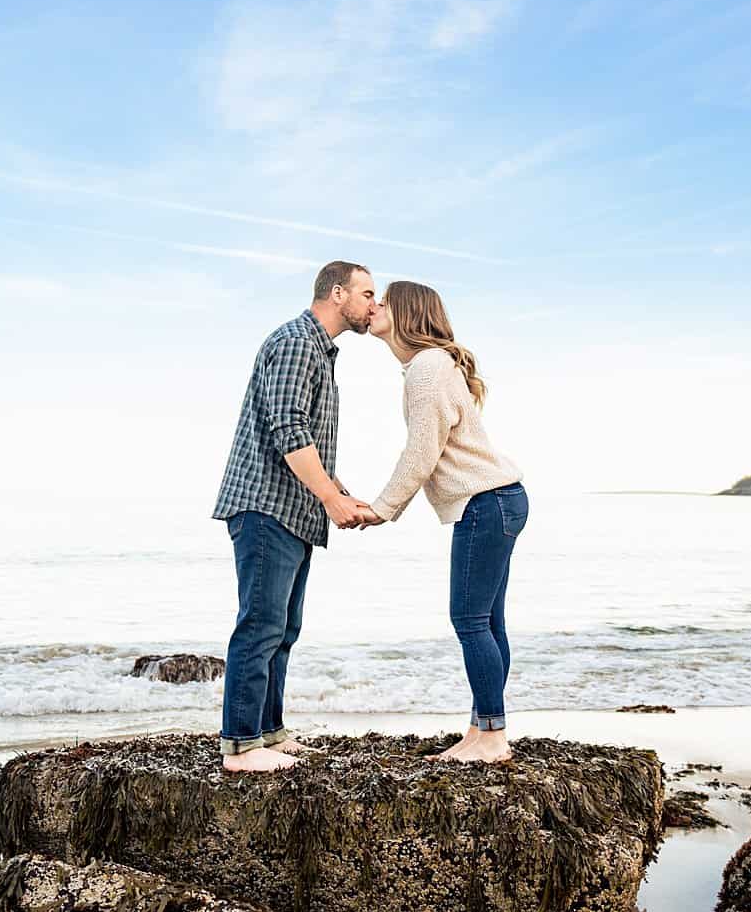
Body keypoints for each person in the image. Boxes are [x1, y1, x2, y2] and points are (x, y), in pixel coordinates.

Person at [212, 261, 379, 772]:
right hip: (265, 506)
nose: (374, 304)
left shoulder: (320, 352)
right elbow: (287, 429)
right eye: (367, 293)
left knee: (283, 629)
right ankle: (240, 746)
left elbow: (307, 442)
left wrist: (340, 493)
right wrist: (330, 499)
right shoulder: (294, 341)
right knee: (260, 626)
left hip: (292, 510)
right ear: (337, 293)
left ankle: (270, 732)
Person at [366, 280, 527, 763]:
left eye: (382, 300)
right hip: (502, 499)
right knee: (488, 621)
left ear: (406, 312)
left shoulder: (427, 369)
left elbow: (421, 452)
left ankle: (493, 737)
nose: (373, 306)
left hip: (486, 502)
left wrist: (382, 508)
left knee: (470, 620)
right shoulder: (431, 365)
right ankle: (482, 731)